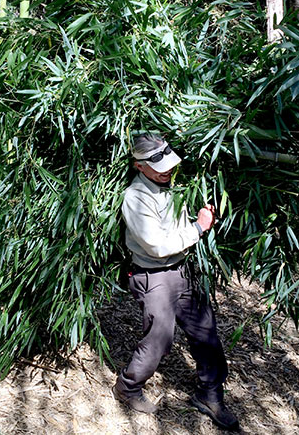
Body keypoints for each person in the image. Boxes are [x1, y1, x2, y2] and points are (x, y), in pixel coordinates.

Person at [112, 132, 239, 431]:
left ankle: (209, 394)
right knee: (160, 339)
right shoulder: (136, 197)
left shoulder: (172, 186)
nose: (167, 170)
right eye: (158, 166)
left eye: (170, 164)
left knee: (205, 331)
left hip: (183, 271)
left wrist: (205, 214)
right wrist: (199, 227)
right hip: (154, 275)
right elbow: (157, 245)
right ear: (138, 166)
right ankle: (128, 387)